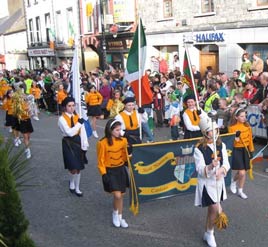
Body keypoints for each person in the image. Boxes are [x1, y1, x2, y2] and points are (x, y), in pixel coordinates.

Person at [194, 118, 230, 247]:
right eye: (211, 130)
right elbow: (199, 169)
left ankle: (208, 233)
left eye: (216, 129)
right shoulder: (198, 148)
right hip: (206, 184)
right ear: (205, 132)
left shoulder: (221, 145)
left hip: (218, 182)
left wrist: (222, 170)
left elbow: (226, 162)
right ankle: (210, 233)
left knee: (212, 210)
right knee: (215, 208)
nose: (214, 132)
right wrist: (210, 166)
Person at [96, 119, 129, 228]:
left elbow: (125, 156)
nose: (119, 132)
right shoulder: (102, 143)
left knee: (121, 195)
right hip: (110, 171)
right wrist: (103, 173)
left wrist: (130, 152)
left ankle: (120, 216)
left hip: (120, 169)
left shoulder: (123, 141)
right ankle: (115, 213)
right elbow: (100, 160)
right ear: (110, 130)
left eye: (120, 129)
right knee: (117, 195)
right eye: (117, 130)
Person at [58, 96, 88, 197]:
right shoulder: (62, 119)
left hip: (78, 142)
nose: (72, 108)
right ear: (65, 107)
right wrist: (79, 124)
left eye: (73, 105)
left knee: (79, 166)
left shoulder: (77, 116)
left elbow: (82, 132)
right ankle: (71, 182)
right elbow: (70, 133)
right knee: (72, 167)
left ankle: (78, 187)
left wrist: (85, 144)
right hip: (68, 143)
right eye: (69, 106)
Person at [228, 108, 254, 199]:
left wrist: (251, 151)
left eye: (245, 116)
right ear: (236, 117)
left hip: (245, 150)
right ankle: (234, 182)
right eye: (242, 116)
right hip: (237, 150)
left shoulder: (248, 127)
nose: (244, 118)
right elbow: (232, 143)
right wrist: (236, 137)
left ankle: (240, 190)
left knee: (244, 172)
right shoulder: (231, 128)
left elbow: (250, 140)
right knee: (242, 172)